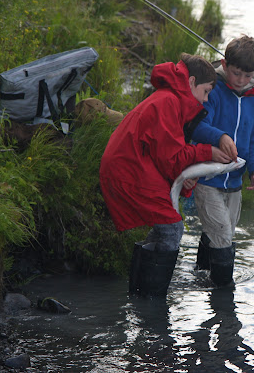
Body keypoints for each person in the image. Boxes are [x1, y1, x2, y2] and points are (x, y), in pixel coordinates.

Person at [99, 53, 233, 298]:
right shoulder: (169, 102)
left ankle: (139, 294)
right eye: (205, 92)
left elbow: (166, 156)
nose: (205, 100)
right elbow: (172, 158)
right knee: (172, 227)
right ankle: (151, 301)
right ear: (191, 82)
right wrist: (208, 152)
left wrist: (184, 178)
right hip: (128, 170)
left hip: (133, 166)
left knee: (167, 227)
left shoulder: (169, 99)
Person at [191, 35, 254, 287]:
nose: (241, 80)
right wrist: (220, 137)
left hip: (234, 181)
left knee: (222, 231)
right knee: (222, 233)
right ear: (224, 65)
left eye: (247, 75)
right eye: (236, 73)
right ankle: (223, 290)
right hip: (207, 178)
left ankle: (201, 275)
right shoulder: (212, 92)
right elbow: (198, 126)